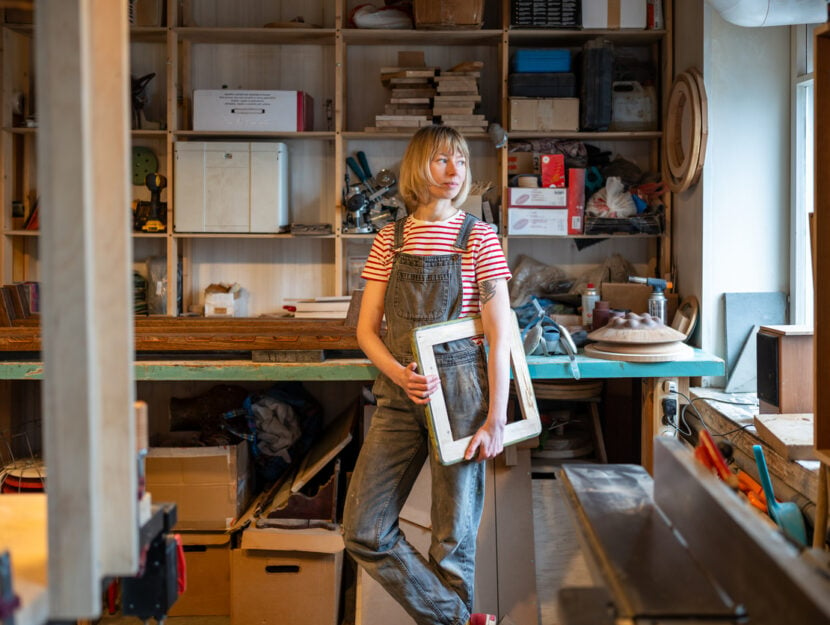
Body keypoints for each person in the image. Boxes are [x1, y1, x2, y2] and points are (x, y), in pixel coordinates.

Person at [342, 125, 513, 625]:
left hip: (462, 402)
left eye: (460, 161)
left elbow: (500, 336)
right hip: (399, 398)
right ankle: (460, 622)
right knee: (364, 530)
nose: (453, 170)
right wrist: (398, 374)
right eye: (441, 160)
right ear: (418, 167)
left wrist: (496, 419)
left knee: (451, 541)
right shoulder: (387, 240)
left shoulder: (478, 237)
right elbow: (367, 331)